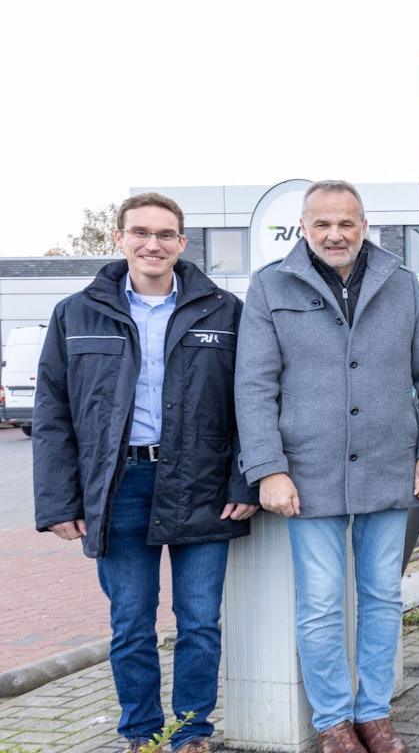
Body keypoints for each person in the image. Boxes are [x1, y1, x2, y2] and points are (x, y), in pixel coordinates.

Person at [32, 192, 257, 753]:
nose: (152, 244)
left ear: (182, 243)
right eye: (140, 232)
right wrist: (59, 502)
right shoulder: (76, 313)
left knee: (200, 621)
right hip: (118, 486)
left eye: (164, 234)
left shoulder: (225, 311)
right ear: (120, 239)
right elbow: (52, 412)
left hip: (202, 485)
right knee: (131, 622)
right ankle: (141, 733)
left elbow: (252, 403)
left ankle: (191, 733)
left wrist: (243, 480)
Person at [236, 180, 419, 753]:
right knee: (321, 601)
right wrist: (268, 468)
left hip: (390, 467)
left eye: (347, 223)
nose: (336, 234)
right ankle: (333, 721)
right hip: (306, 474)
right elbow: (254, 387)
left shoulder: (400, 283)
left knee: (383, 596)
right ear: (304, 228)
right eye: (323, 224)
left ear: (364, 226)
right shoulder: (270, 286)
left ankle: (374, 715)